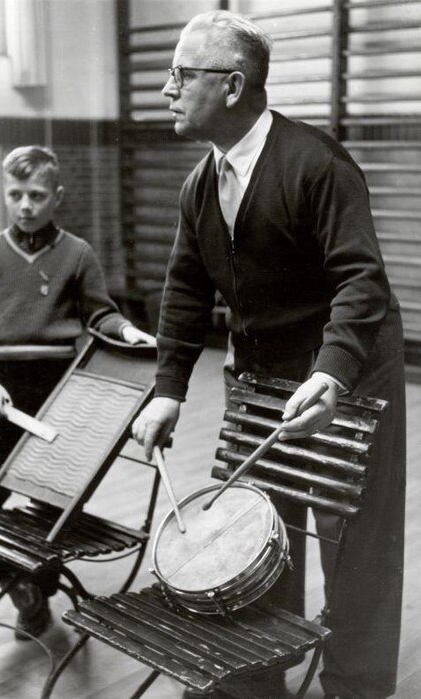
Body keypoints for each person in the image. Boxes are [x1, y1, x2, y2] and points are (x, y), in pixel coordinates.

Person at [132, 10, 405, 699]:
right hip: (261, 380)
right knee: (255, 527)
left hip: (346, 379)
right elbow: (186, 287)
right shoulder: (204, 182)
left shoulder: (316, 162)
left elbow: (360, 279)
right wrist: (168, 387)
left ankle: (355, 686)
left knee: (356, 549)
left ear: (230, 85)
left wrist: (331, 373)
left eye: (180, 75)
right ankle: (254, 677)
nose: (166, 88)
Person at [0, 145, 155, 640]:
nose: (25, 205)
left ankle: (37, 581)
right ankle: (18, 581)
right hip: (1, 391)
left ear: (57, 197)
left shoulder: (77, 253)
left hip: (62, 387)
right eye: (15, 194)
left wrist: (127, 331)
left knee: (52, 503)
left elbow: (99, 314)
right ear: (5, 194)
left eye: (37, 195)